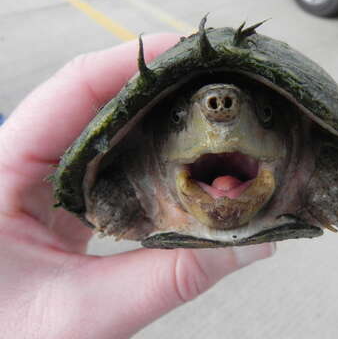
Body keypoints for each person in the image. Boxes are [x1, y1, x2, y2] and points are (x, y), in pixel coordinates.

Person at [0, 34, 275, 339]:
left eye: (265, 115)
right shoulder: (132, 173)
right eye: (177, 118)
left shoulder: (308, 162)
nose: (219, 109)